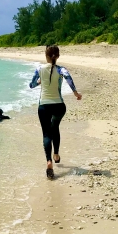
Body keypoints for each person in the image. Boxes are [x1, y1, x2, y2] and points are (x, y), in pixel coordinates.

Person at [29, 45, 82, 179]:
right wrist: (76, 93)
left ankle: (49, 161)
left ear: (46, 56)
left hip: (44, 107)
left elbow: (31, 85)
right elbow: (69, 79)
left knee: (47, 134)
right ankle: (56, 154)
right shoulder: (60, 69)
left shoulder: (39, 69)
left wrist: (40, 82)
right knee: (55, 127)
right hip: (59, 106)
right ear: (58, 56)